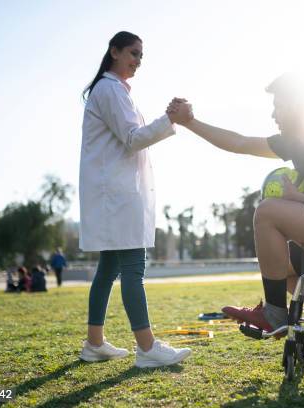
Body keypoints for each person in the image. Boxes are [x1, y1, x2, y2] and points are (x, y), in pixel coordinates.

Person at [168, 73, 304, 362]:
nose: (273, 113)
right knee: (282, 268)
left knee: (267, 211)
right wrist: (190, 123)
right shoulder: (296, 143)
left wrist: (300, 199)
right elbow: (239, 142)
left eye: (279, 105)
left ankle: (274, 312)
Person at [78, 31, 193, 368]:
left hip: (112, 192)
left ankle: (94, 344)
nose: (137, 60)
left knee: (109, 268)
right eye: (132, 53)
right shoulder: (110, 89)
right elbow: (132, 139)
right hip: (116, 194)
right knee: (132, 268)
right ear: (113, 51)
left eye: (141, 55)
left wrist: (165, 121)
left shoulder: (112, 90)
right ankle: (147, 348)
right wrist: (170, 119)